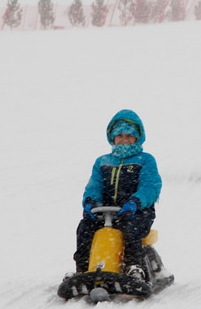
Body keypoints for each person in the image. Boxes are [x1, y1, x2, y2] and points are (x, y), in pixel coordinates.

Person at [73, 109, 161, 282]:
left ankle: (134, 267)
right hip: (104, 211)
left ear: (137, 137)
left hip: (136, 211)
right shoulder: (102, 161)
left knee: (130, 227)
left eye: (129, 135)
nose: (124, 139)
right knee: (85, 227)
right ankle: (82, 269)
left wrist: (135, 202)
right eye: (120, 135)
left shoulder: (145, 160)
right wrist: (90, 202)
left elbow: (150, 186)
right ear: (112, 137)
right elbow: (94, 185)